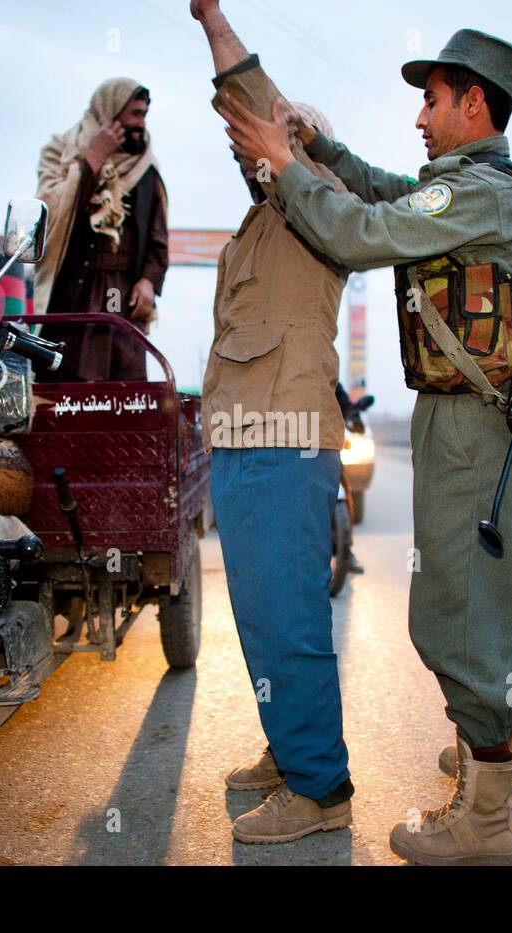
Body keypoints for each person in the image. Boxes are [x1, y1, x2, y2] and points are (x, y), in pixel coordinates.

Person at [217, 25, 512, 865]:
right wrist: (316, 143)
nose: (419, 118)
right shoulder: (461, 189)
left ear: (474, 102)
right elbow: (374, 191)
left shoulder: (479, 190)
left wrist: (289, 159)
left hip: (479, 422)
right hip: (474, 414)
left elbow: (362, 230)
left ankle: (486, 818)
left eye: (432, 100)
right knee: (485, 598)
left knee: (457, 614)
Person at [192, 0, 355, 844]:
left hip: (285, 441)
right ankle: (290, 752)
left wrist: (211, 17)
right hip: (246, 437)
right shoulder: (266, 220)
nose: (243, 150)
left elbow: (252, 102)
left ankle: (321, 790)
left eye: (256, 141)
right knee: (261, 615)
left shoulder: (316, 197)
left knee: (288, 618)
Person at [34, 78, 168, 379]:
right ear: (111, 112)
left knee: (126, 390)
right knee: (70, 385)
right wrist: (93, 158)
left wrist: (148, 281)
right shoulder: (61, 150)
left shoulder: (147, 167)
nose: (140, 123)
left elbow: (159, 238)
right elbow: (50, 213)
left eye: (144, 115)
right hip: (75, 290)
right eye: (134, 114)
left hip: (124, 296)